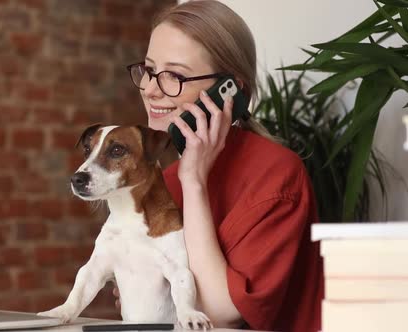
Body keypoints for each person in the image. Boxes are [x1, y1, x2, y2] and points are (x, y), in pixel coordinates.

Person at [114, 1, 324, 331]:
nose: (151, 89)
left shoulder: (277, 176)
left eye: (174, 76)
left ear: (228, 92)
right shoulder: (163, 180)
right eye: (150, 70)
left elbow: (219, 312)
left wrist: (194, 182)